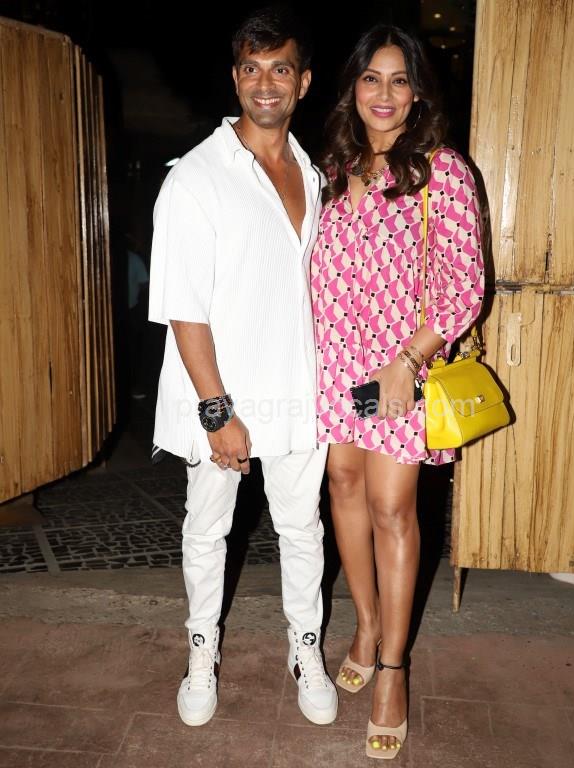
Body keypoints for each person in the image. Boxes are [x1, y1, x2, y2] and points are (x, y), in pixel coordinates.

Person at [148, 5, 337, 728]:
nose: (265, 84)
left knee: (303, 530)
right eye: (252, 69)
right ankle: (201, 654)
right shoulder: (196, 176)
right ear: (235, 79)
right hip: (221, 393)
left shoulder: (311, 172)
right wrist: (215, 410)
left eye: (280, 69)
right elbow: (183, 308)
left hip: (296, 386)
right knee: (207, 530)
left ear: (303, 81)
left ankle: (306, 650)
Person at [311, 25, 484, 758]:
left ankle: (392, 667)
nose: (384, 94)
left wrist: (407, 363)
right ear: (352, 87)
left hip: (399, 370)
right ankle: (366, 622)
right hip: (333, 365)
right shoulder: (332, 167)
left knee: (391, 507)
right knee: (343, 487)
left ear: (417, 92)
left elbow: (465, 285)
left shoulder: (442, 171)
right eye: (371, 78)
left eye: (399, 79)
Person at [126, 234, 150, 399]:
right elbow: (145, 283)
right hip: (130, 311)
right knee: (133, 351)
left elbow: (144, 282)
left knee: (133, 350)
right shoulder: (134, 258)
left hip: (131, 311)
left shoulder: (134, 259)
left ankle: (133, 386)